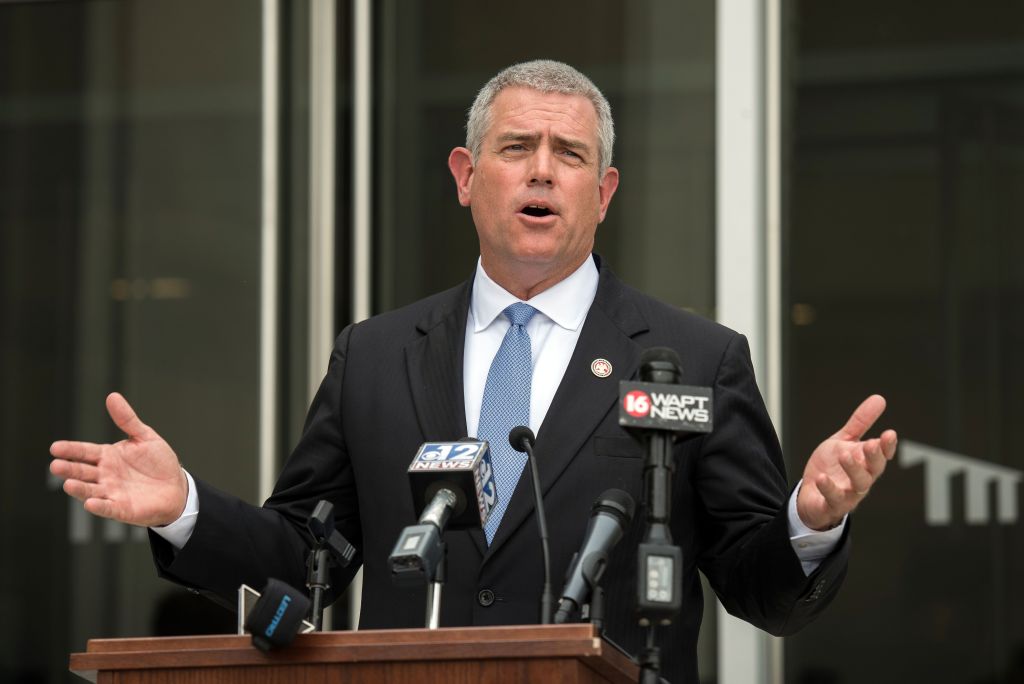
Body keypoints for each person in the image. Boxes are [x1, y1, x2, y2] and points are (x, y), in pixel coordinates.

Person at [49, 60, 898, 683]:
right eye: (516, 147)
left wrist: (809, 522)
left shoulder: (695, 358)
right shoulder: (375, 356)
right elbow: (309, 556)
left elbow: (763, 590)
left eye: (568, 155)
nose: (540, 170)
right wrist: (186, 508)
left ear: (602, 194)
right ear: (465, 177)